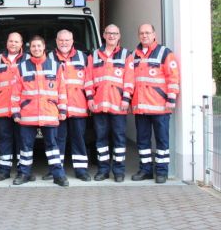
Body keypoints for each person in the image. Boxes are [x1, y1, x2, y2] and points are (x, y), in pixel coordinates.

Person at [11, 35, 68, 187]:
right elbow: (15, 92)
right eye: (33, 46)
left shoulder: (56, 66)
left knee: (52, 147)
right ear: (30, 49)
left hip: (49, 113)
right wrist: (15, 112)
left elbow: (61, 90)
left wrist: (62, 109)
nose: (36, 49)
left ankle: (58, 175)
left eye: (39, 46)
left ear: (44, 47)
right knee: (26, 147)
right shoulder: (21, 67)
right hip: (27, 114)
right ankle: (24, 174)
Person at [130, 23, 180, 184]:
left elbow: (173, 77)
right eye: (141, 33)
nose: (144, 35)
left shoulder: (165, 53)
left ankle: (161, 171)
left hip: (160, 107)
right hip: (141, 107)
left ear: (154, 34)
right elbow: (130, 80)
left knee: (162, 141)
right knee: (143, 142)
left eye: (147, 33)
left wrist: (171, 99)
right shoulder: (134, 55)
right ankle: (145, 170)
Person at [86, 24, 134, 182]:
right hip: (99, 105)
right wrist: (90, 98)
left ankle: (119, 171)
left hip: (118, 105)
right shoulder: (94, 55)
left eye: (115, 33)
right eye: (109, 33)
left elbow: (129, 79)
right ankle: (103, 169)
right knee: (101, 139)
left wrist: (126, 99)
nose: (112, 36)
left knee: (119, 139)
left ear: (119, 36)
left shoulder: (126, 55)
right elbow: (88, 79)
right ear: (104, 35)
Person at [47, 29, 92, 181]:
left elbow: (89, 82)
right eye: (61, 40)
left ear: (72, 41)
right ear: (56, 41)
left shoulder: (83, 57)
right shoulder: (49, 57)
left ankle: (81, 171)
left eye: (67, 40)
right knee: (57, 140)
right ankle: (55, 170)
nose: (64, 43)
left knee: (78, 139)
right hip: (57, 108)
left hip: (78, 107)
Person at [0, 32, 28, 181]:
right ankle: (4, 170)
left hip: (22, 109)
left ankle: (22, 171)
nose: (13, 44)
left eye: (16, 42)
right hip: (3, 107)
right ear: (6, 43)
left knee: (22, 140)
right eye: (11, 41)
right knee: (4, 139)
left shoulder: (28, 60)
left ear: (21, 44)